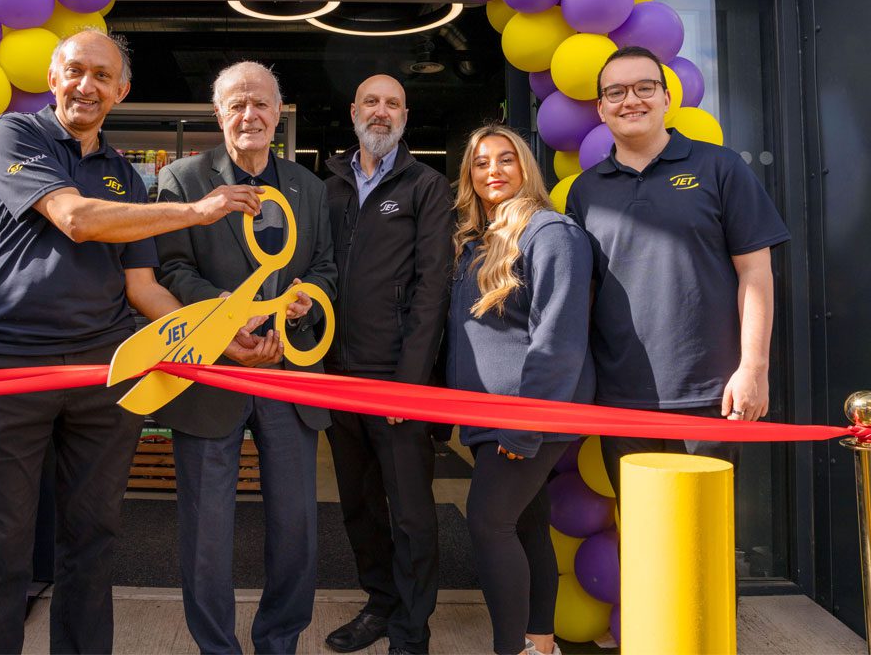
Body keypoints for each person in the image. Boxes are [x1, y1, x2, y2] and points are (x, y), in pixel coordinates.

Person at [0, 29, 270, 655]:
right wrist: (195, 211)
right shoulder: (16, 136)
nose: (86, 86)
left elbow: (144, 288)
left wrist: (216, 337)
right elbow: (75, 218)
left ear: (121, 90)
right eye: (75, 71)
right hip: (12, 368)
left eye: (102, 76)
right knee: (1, 547)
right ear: (53, 78)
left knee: (92, 544)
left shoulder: (126, 174)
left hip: (104, 374)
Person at [153, 61, 338, 655]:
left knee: (296, 527)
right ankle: (216, 648)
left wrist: (304, 303)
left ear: (277, 112)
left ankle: (279, 641)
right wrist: (227, 315)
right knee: (207, 530)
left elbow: (325, 269)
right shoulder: (181, 181)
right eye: (236, 104)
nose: (249, 115)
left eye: (260, 104)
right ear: (219, 115)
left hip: (289, 370)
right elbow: (171, 269)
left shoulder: (309, 187)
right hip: (211, 373)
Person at [565, 45, 790, 497]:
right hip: (620, 402)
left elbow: (756, 274)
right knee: (643, 542)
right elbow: (583, 298)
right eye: (616, 92)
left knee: (702, 544)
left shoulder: (720, 168)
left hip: (710, 397)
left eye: (644, 87)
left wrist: (754, 367)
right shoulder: (585, 191)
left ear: (667, 99)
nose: (631, 100)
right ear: (601, 109)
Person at [447, 124, 595, 655]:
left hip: (525, 413)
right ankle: (540, 642)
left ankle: (511, 648)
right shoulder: (477, 241)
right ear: (469, 176)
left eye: (506, 159)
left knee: (488, 523)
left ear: (525, 167)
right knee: (525, 524)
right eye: (481, 162)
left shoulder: (551, 233)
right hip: (488, 414)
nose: (493, 171)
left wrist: (525, 423)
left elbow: (557, 339)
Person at [321, 74, 454, 655]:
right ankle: (380, 605)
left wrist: (410, 383)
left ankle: (411, 629)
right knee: (358, 506)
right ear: (354, 110)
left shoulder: (427, 185)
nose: (381, 111)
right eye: (371, 101)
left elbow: (433, 289)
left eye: (392, 103)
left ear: (406, 115)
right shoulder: (325, 184)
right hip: (334, 375)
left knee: (412, 514)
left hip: (396, 379)